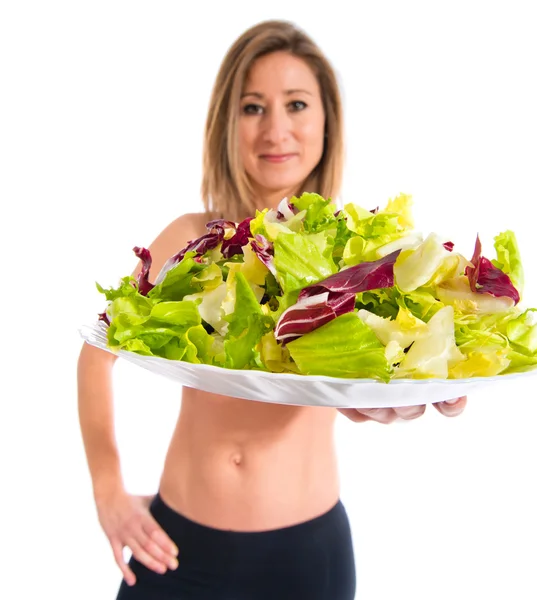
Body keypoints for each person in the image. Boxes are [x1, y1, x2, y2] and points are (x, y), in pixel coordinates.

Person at [77, 19, 467, 600]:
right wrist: (107, 489)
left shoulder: (350, 251)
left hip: (306, 560)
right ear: (225, 123)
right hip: (177, 547)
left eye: (297, 104)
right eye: (253, 107)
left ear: (327, 122)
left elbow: (384, 366)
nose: (276, 129)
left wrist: (392, 393)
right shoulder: (191, 238)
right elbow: (96, 353)